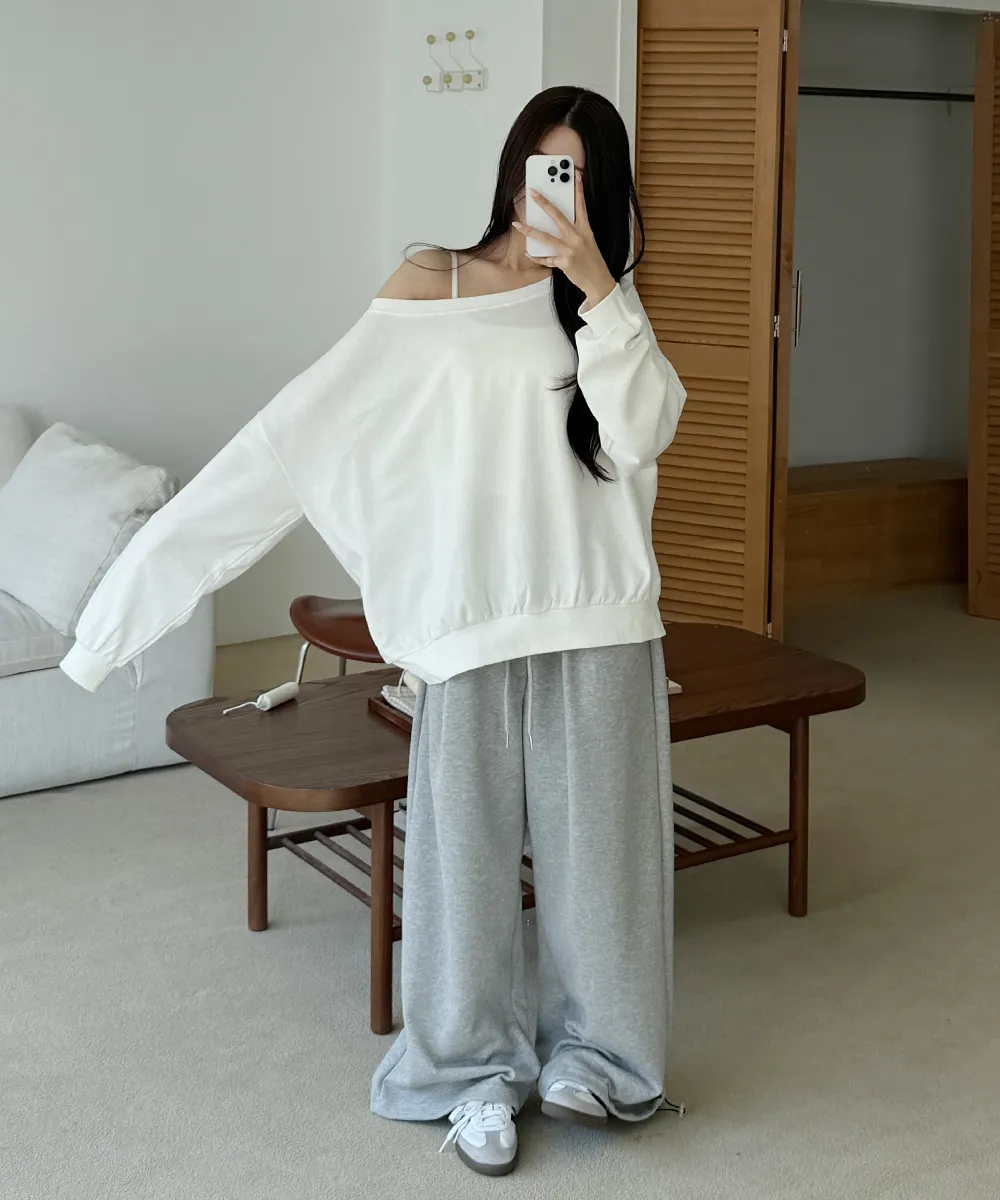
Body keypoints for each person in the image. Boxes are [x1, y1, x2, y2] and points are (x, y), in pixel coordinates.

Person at [60, 86, 687, 1177]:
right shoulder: (432, 282)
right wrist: (116, 616)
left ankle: (599, 1060)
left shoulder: (608, 311)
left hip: (600, 624)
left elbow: (643, 436)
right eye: (542, 169)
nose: (554, 194)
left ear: (608, 194)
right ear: (510, 171)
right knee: (462, 876)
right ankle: (469, 1071)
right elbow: (288, 438)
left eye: (580, 178)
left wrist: (597, 290)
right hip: (466, 631)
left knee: (605, 872)